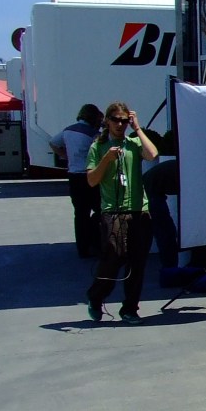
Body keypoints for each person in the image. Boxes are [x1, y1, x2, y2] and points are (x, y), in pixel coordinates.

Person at [85, 102, 158, 324]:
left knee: (137, 263)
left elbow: (153, 154)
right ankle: (96, 296)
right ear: (106, 121)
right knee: (113, 257)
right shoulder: (98, 147)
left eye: (124, 120)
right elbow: (91, 180)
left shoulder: (133, 143)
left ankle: (130, 308)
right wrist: (106, 159)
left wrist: (137, 128)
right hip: (113, 211)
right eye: (115, 120)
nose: (119, 124)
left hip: (138, 210)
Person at [51, 104, 104, 258]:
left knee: (80, 213)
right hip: (90, 175)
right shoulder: (93, 134)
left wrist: (64, 155)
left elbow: (53, 143)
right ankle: (95, 240)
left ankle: (82, 248)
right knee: (100, 209)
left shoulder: (68, 130)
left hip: (74, 175)